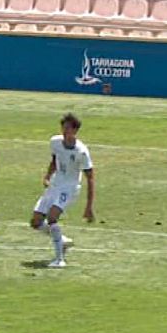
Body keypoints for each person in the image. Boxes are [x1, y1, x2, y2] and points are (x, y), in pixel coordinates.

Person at [30, 113, 95, 268]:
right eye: (63, 127)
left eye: (68, 128)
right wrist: (47, 176)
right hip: (55, 184)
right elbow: (54, 160)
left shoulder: (82, 152)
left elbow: (90, 178)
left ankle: (60, 259)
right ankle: (63, 240)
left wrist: (89, 207)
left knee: (52, 218)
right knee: (36, 222)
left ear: (75, 130)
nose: (64, 131)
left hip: (69, 188)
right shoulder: (55, 142)